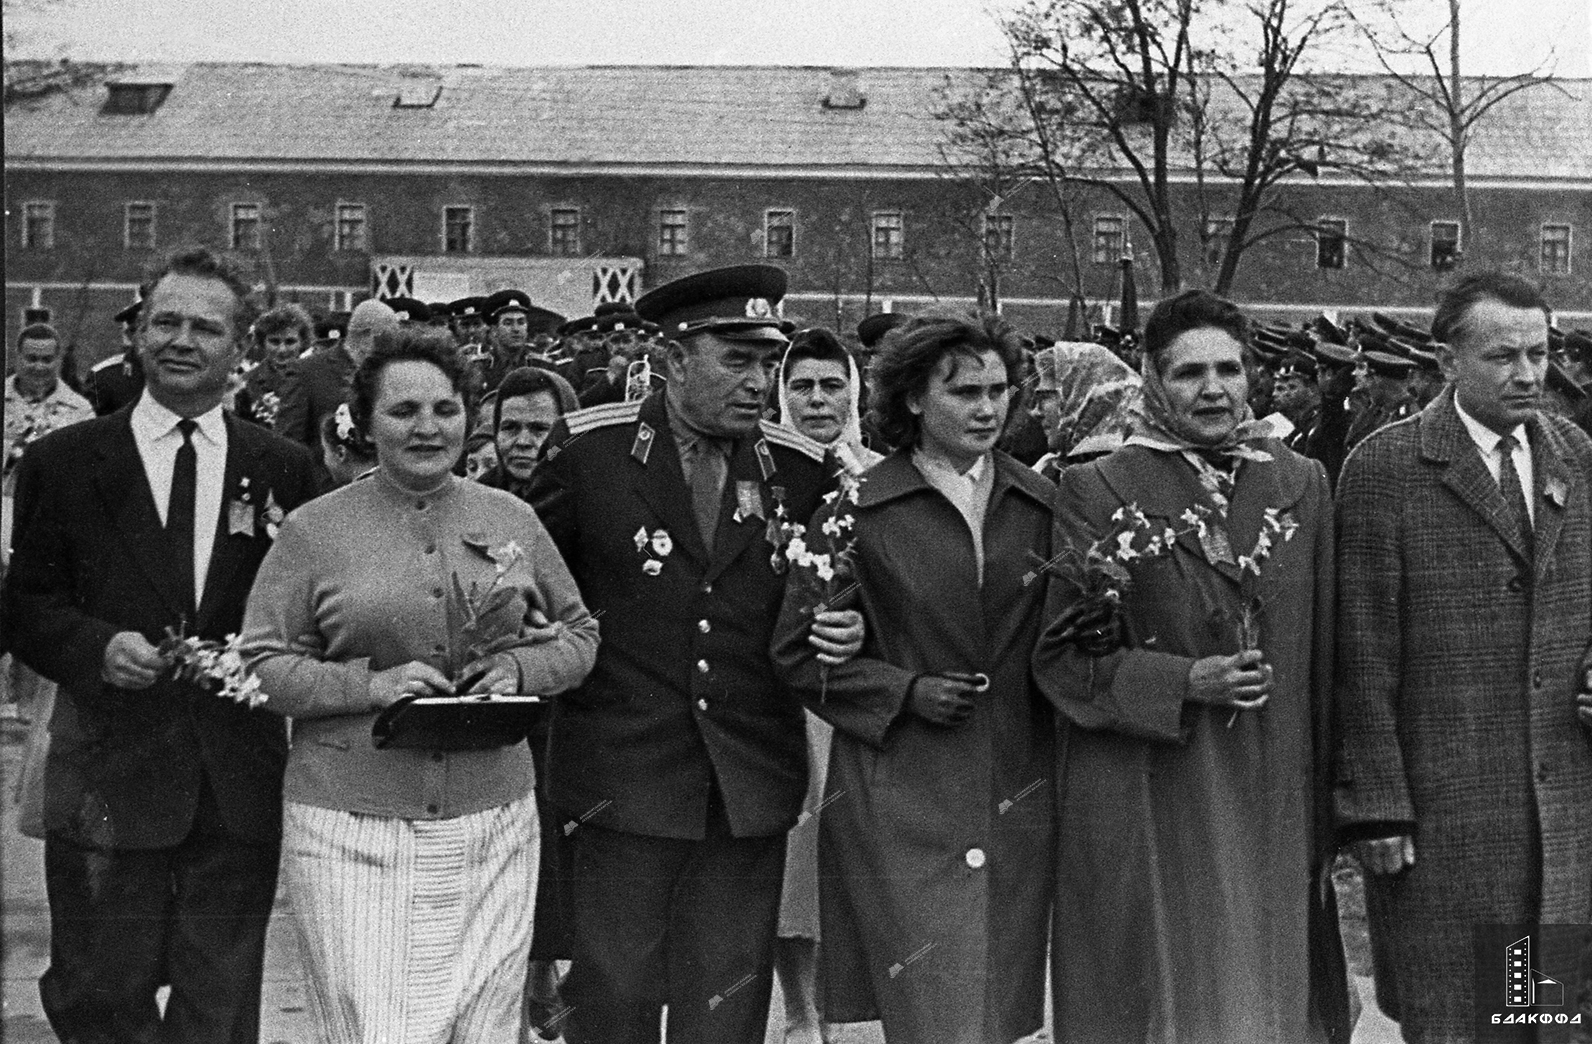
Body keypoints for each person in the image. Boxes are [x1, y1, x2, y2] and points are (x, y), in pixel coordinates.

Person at [528, 264, 863, 1044]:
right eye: (736, 361)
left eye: (767, 365)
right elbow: (534, 598)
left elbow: (827, 608)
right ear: (674, 360)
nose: (759, 384)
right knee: (613, 996)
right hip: (622, 780)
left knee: (726, 1005)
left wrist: (846, 635)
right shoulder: (589, 455)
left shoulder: (801, 471)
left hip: (744, 783)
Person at [239, 327, 598, 1042]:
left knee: (483, 1028)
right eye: (403, 411)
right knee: (378, 1029)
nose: (428, 427)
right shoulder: (315, 530)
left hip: (492, 822)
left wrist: (520, 669)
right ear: (365, 422)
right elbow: (261, 662)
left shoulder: (512, 518)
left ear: (470, 415)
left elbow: (580, 634)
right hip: (350, 825)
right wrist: (367, 685)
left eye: (446, 408)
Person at [2, 246, 320, 1043]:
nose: (182, 340)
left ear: (239, 347)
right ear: (138, 334)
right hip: (106, 775)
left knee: (219, 1008)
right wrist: (96, 648)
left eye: (205, 327)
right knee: (99, 994)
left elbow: (313, 614)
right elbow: (27, 605)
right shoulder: (65, 462)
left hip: (235, 784)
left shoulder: (283, 469)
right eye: (165, 321)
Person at [1032, 288, 1348, 1044]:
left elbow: (1330, 648)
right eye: (1189, 373)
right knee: (1174, 989)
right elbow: (1064, 657)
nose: (1214, 388)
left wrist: (1331, 798)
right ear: (1150, 377)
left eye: (1230, 369)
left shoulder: (1300, 481)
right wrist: (1181, 681)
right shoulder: (1098, 486)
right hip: (1162, 787)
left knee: (1269, 988)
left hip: (1275, 787)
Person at [769, 311, 1055, 1044]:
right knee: (930, 1002)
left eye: (999, 390)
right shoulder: (854, 510)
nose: (987, 408)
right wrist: (901, 690)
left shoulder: (1043, 505)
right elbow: (799, 653)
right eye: (964, 391)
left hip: (1014, 787)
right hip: (901, 795)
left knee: (998, 1003)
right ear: (915, 400)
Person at [1335, 272, 1592, 1043]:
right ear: (1448, 361)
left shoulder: (1576, 453)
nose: (1528, 374)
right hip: (1443, 819)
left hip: (1559, 808)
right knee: (1456, 1024)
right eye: (1502, 356)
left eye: (1539, 354)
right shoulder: (1385, 470)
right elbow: (1359, 656)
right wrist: (1374, 805)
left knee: (1544, 1021)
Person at [767, 326, 882, 1044]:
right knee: (794, 851)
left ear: (853, 391)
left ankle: (855, 1003)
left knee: (858, 846)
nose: (817, 399)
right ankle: (802, 1010)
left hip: (860, 691)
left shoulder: (883, 476)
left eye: (830, 384)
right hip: (781, 689)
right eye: (802, 385)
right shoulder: (765, 474)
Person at [275, 297, 398, 449]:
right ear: (367, 335)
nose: (393, 345)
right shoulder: (306, 372)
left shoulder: (385, 371)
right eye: (388, 338)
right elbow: (288, 440)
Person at [1028, 340, 1142, 480]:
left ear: (1082, 398)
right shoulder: (1049, 471)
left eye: (1044, 397)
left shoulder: (1128, 476)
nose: (1035, 412)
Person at [483, 366, 579, 500]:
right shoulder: (474, 501)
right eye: (510, 427)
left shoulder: (592, 501)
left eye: (539, 429)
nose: (523, 442)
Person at [235, 303, 313, 429]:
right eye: (274, 341)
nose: (282, 350)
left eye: (290, 342)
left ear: (303, 342)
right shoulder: (246, 383)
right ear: (262, 342)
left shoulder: (316, 379)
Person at [85, 299, 148, 416]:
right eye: (142, 330)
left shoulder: (181, 371)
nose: (148, 338)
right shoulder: (104, 376)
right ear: (130, 335)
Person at [317, 404, 378, 488]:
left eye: (325, 451)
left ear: (340, 453)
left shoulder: (351, 498)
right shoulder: (395, 482)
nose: (325, 460)